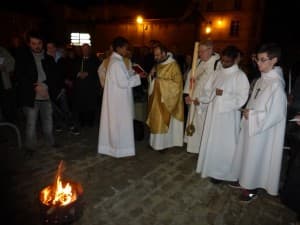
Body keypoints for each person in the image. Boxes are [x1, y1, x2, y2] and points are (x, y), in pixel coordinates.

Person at [231, 43, 287, 202]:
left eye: (263, 60)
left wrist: (254, 115)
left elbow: (277, 114)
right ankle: (243, 179)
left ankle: (251, 187)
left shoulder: (276, 85)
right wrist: (248, 112)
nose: (259, 63)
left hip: (263, 132)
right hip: (251, 125)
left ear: (274, 60)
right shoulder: (262, 80)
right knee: (246, 153)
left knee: (256, 157)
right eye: (258, 60)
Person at [195, 45, 250, 183]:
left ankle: (225, 173)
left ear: (235, 60)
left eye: (227, 61)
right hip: (213, 115)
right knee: (213, 143)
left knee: (225, 145)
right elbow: (208, 91)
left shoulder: (240, 76)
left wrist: (223, 95)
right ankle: (211, 169)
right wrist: (200, 100)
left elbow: (241, 99)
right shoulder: (217, 73)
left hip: (227, 118)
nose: (224, 64)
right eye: (223, 61)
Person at [15, 31, 59, 151]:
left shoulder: (49, 58)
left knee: (48, 120)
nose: (37, 46)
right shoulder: (23, 58)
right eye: (33, 43)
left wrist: (45, 85)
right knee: (31, 123)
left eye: (39, 43)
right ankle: (30, 147)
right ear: (29, 44)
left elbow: (55, 77)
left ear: (42, 43)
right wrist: (35, 87)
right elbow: (19, 76)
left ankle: (50, 142)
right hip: (30, 96)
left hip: (46, 94)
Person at [98, 36, 141, 158]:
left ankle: (116, 148)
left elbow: (122, 76)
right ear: (119, 48)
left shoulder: (117, 60)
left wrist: (132, 73)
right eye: (125, 48)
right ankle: (119, 149)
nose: (127, 50)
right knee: (119, 125)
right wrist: (138, 78)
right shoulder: (116, 63)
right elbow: (123, 83)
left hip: (117, 99)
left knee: (116, 125)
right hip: (119, 101)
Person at [183, 40, 220, 154]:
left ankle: (203, 150)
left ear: (210, 50)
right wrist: (187, 95)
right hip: (193, 99)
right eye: (199, 52)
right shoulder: (198, 62)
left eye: (202, 52)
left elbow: (217, 84)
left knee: (203, 125)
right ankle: (194, 148)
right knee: (194, 123)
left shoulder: (217, 64)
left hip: (206, 102)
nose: (199, 54)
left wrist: (203, 99)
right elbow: (190, 78)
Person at [146, 44, 184, 151]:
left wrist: (160, 82)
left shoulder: (173, 65)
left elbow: (178, 84)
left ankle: (163, 145)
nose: (155, 58)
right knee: (155, 120)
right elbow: (152, 78)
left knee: (162, 121)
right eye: (154, 55)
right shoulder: (158, 64)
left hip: (166, 101)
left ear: (164, 53)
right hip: (156, 99)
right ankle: (154, 143)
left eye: (157, 55)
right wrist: (151, 76)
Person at [72, 43, 101, 127]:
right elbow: (72, 70)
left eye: (87, 49)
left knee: (91, 105)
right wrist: (78, 74)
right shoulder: (77, 59)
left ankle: (90, 122)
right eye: (83, 49)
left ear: (89, 50)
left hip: (90, 87)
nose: (85, 51)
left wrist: (88, 73)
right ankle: (82, 122)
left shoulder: (95, 60)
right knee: (81, 105)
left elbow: (98, 71)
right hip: (80, 88)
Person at [0, 46, 17, 123]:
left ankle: (10, 121)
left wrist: (5, 67)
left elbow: (12, 62)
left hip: (4, 82)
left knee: (7, 102)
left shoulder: (2, 50)